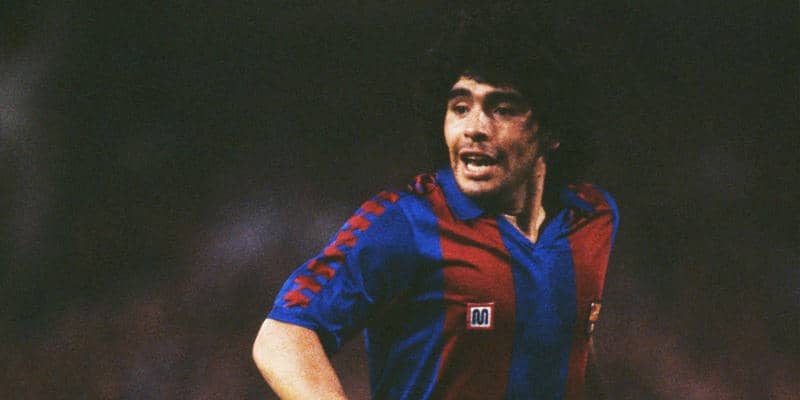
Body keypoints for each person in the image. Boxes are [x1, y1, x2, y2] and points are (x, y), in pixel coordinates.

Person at [253, 19, 619, 400]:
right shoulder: (406, 221)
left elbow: (569, 343)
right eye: (460, 107)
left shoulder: (591, 218)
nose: (474, 128)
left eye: (502, 109)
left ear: (553, 131)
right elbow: (283, 337)